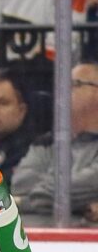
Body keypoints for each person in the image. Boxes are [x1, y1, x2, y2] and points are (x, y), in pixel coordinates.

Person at [11, 61, 98, 221]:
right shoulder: (47, 142)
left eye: (75, 84)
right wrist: (81, 206)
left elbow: (65, 192)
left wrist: (23, 202)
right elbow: (20, 185)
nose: (64, 90)